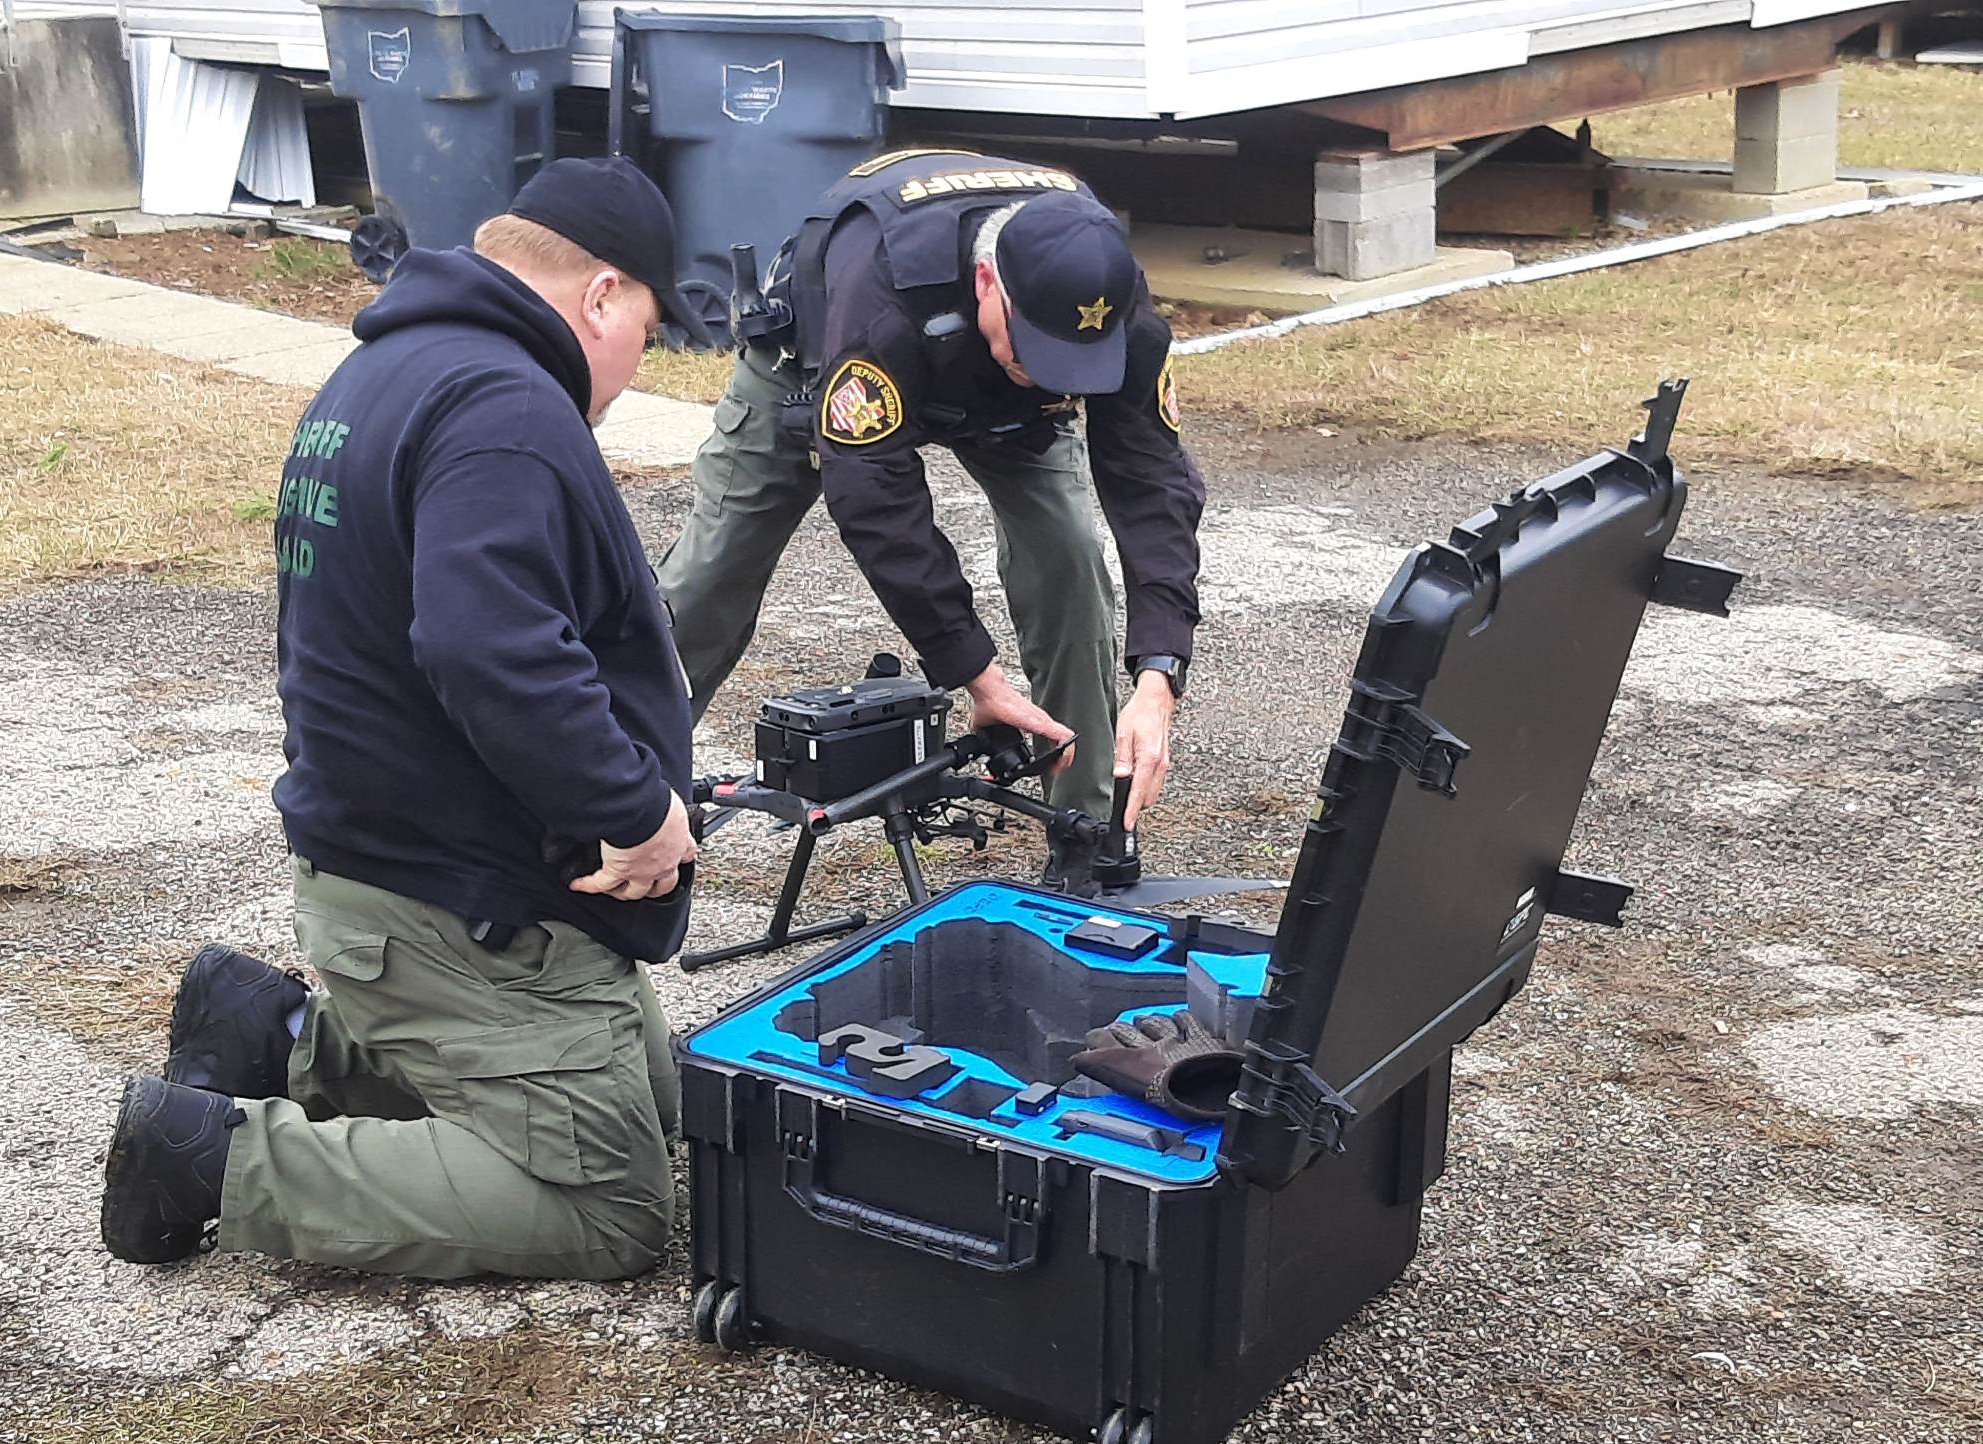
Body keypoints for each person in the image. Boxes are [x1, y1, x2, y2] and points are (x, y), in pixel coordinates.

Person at [99, 157, 711, 1281]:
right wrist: (632, 812)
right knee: (615, 1204)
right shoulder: (504, 407)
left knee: (666, 1100)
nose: (637, 363)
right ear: (601, 295)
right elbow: (487, 645)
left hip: (393, 864)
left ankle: (278, 1039)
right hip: (458, 901)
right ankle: (216, 1162)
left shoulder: (386, 370)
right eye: (648, 328)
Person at [656, 150, 1205, 836]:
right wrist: (975, 672)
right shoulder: (883, 292)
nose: (1049, 374)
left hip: (1005, 413)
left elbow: (1153, 483)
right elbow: (875, 501)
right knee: (711, 577)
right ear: (987, 282)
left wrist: (1160, 675)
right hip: (811, 368)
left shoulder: (1106, 301)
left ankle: (1087, 829)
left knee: (1069, 561)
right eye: (1035, 349)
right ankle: (624, 803)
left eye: (1072, 363)